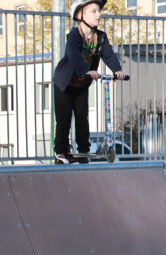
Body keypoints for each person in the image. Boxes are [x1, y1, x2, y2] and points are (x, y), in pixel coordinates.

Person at [51, 0, 125, 165]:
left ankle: (83, 150)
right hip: (64, 83)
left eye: (99, 11)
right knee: (63, 120)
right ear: (79, 15)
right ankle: (61, 152)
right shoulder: (74, 36)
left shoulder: (101, 37)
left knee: (82, 118)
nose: (98, 15)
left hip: (81, 85)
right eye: (93, 11)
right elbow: (74, 56)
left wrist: (117, 70)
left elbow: (109, 55)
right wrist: (85, 72)